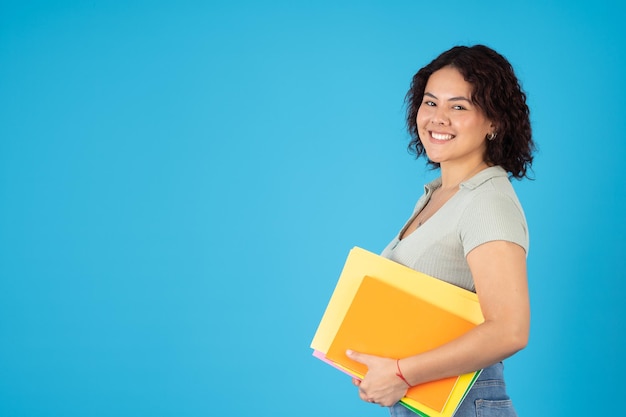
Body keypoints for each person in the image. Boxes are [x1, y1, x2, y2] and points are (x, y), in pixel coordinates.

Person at [346, 45, 535, 417]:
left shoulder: (487, 202)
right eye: (430, 103)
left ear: (494, 122)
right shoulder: (439, 195)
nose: (438, 118)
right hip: (425, 401)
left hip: (463, 402)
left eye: (459, 107)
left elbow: (510, 330)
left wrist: (400, 371)